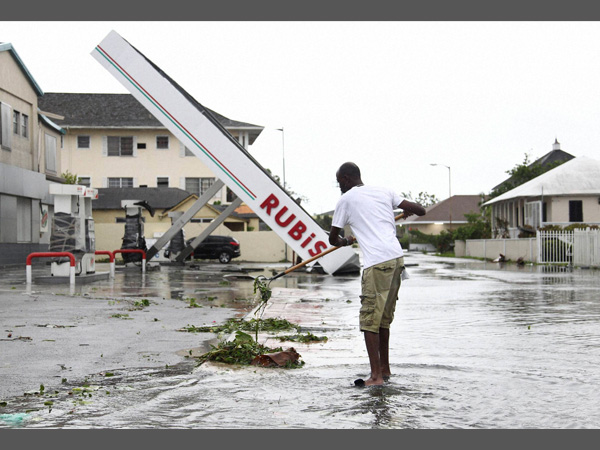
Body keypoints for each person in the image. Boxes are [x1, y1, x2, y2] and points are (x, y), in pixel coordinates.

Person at [329, 162, 426, 386]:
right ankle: (385, 368)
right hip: (396, 260)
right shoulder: (385, 192)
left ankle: (376, 377)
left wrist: (345, 241)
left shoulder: (346, 199)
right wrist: (405, 210)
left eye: (338, 182)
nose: (339, 187)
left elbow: (333, 239)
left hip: (377, 263)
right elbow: (420, 210)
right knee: (383, 319)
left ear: (345, 179)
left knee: (369, 319)